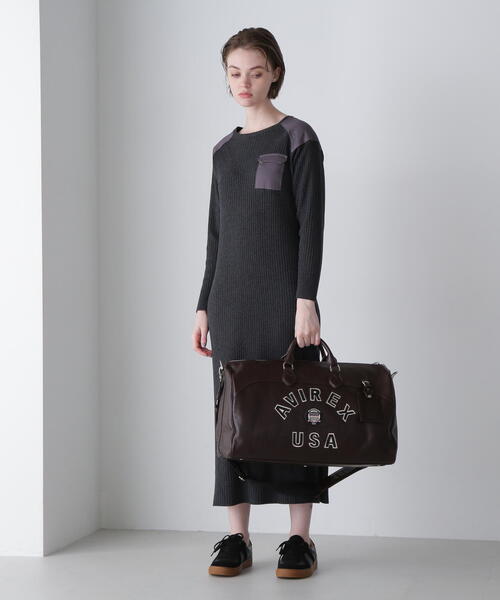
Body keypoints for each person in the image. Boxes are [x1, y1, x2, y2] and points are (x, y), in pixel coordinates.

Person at [192, 27, 326, 579]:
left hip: (284, 302)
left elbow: (311, 227)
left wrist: (306, 299)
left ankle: (299, 539)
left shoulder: (298, 137)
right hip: (230, 302)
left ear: (274, 73)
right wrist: (203, 304)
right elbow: (216, 234)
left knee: (295, 410)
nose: (243, 83)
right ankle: (237, 536)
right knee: (234, 415)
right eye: (234, 73)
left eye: (255, 72)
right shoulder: (223, 151)